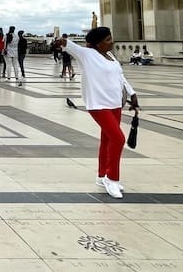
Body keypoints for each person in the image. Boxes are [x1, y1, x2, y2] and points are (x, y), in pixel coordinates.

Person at [55, 27, 138, 199]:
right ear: (98, 43)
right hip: (98, 105)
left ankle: (101, 175)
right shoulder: (87, 55)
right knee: (118, 138)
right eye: (108, 40)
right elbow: (70, 46)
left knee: (107, 139)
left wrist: (132, 93)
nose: (111, 42)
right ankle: (112, 179)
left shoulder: (111, 57)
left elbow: (120, 77)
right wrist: (62, 42)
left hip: (115, 103)